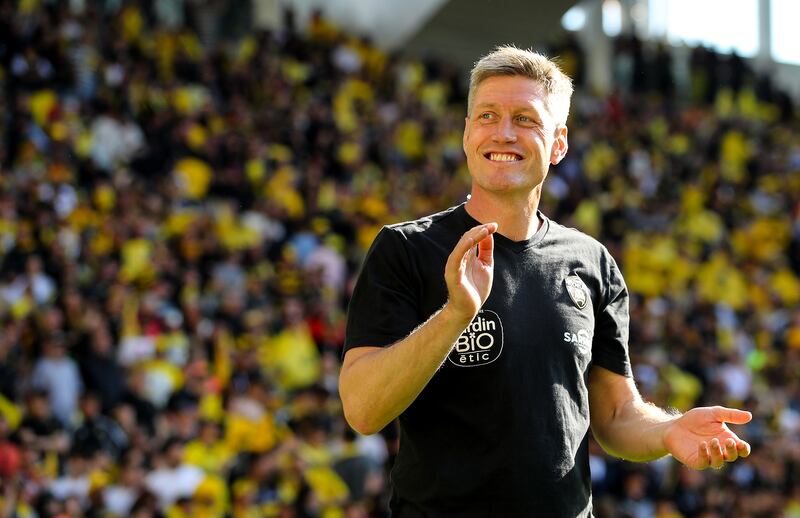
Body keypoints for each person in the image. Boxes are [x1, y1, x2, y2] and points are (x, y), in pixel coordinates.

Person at [338, 45, 752, 517]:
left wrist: (667, 432)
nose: (504, 132)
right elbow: (363, 410)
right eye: (487, 116)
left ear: (559, 143)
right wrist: (455, 314)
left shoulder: (593, 263)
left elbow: (616, 415)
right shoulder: (405, 249)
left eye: (526, 118)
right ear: (467, 132)